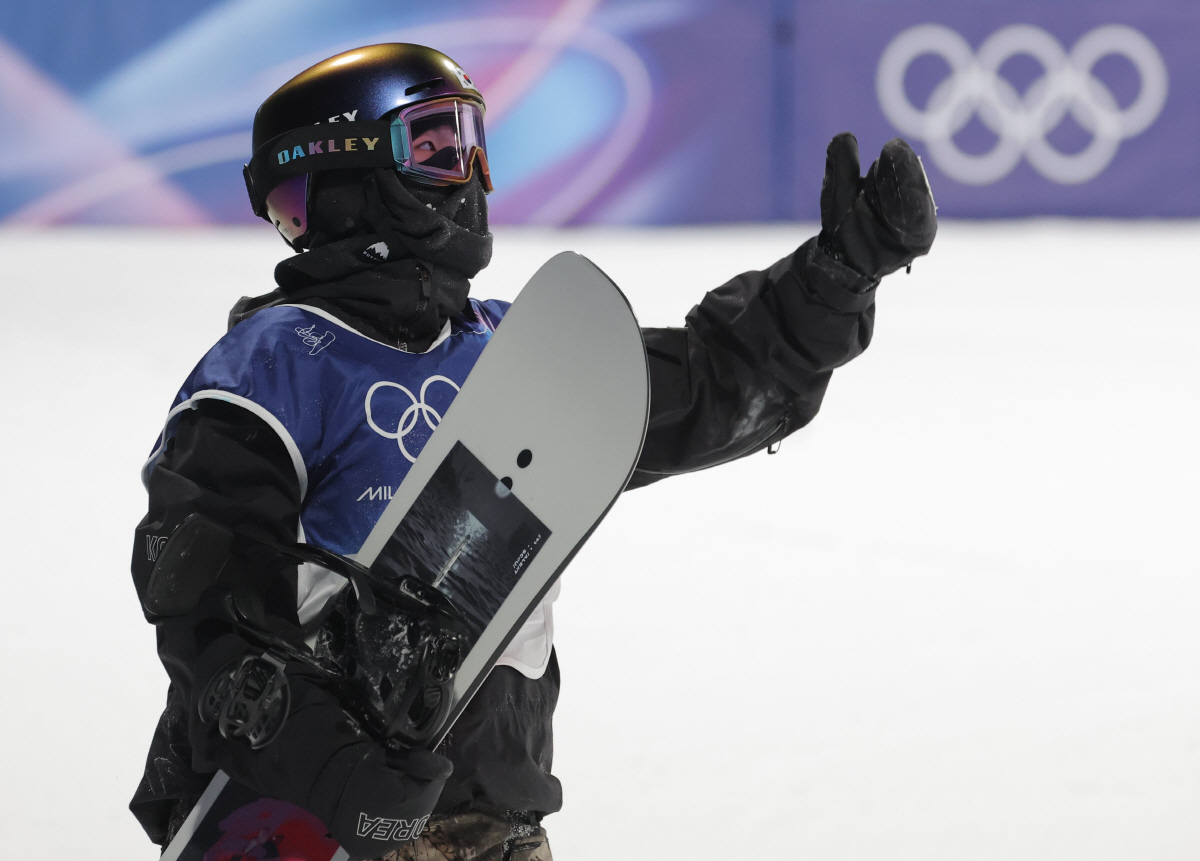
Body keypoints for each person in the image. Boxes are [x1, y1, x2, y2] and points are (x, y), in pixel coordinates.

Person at [129, 43, 936, 861]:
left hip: (494, 817)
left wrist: (834, 279)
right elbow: (203, 607)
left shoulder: (518, 349)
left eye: (474, 142)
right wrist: (330, 765)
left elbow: (709, 384)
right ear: (348, 180)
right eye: (436, 148)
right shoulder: (269, 367)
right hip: (325, 810)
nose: (472, 173)